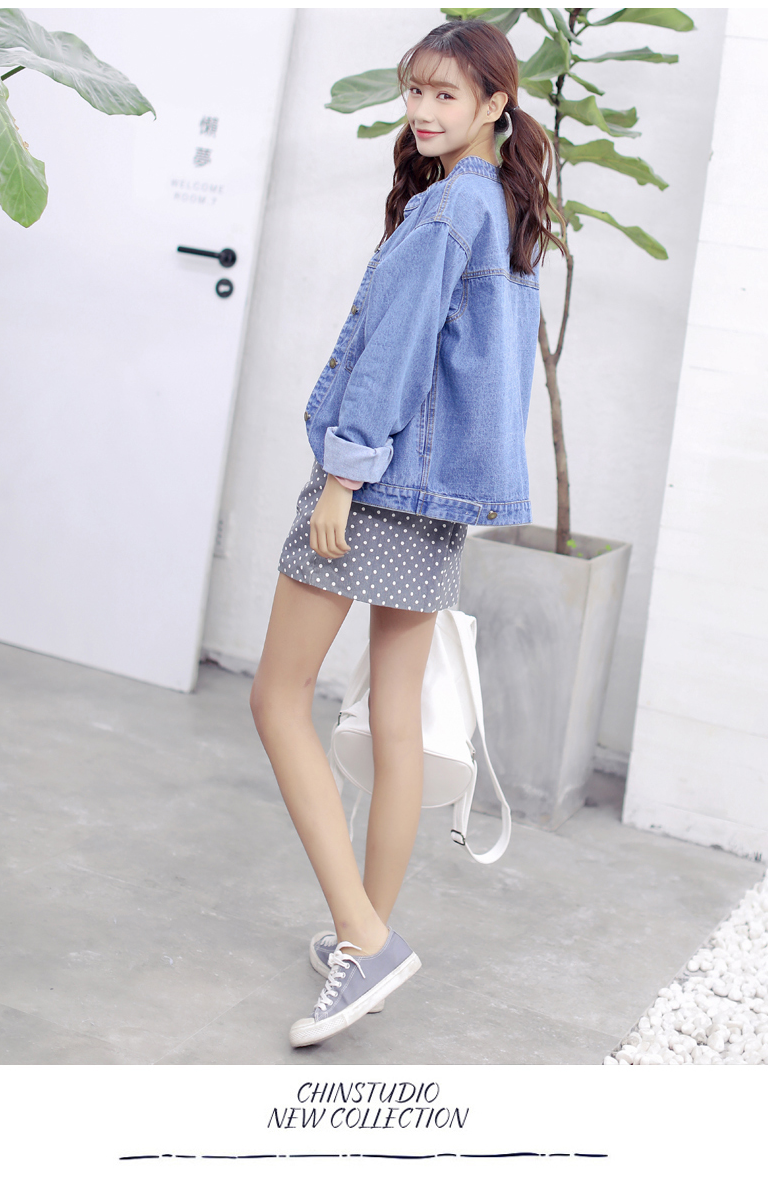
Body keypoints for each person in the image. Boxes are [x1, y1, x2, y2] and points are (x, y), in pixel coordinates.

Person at [249, 17, 563, 1048]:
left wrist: (342, 475)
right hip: (437, 499)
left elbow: (394, 354)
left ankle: (364, 936)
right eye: (414, 90)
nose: (422, 111)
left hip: (378, 484)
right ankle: (367, 941)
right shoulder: (500, 204)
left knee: (277, 697)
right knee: (395, 723)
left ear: (494, 104)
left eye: (444, 94)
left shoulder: (449, 210)